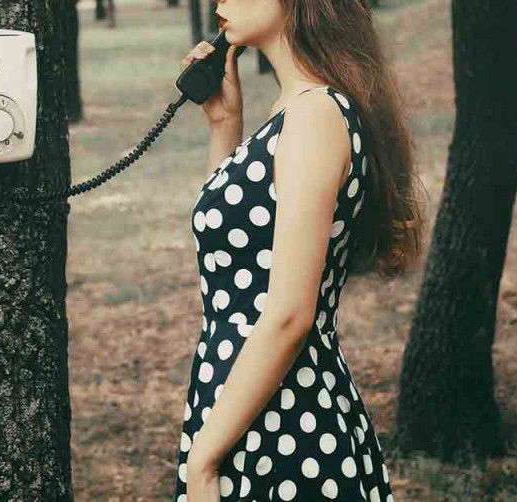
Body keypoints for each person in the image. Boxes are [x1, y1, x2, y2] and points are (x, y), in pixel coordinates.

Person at [171, 0, 425, 500]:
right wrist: (224, 124)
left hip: (286, 417)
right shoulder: (293, 113)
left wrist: (203, 459)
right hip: (246, 403)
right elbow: (236, 262)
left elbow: (289, 315)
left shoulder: (315, 117)